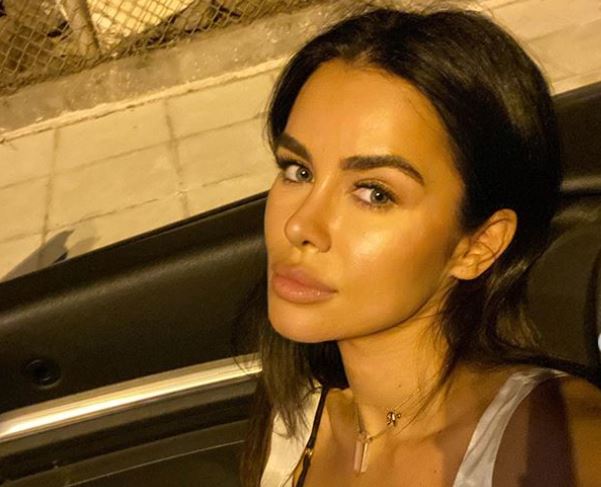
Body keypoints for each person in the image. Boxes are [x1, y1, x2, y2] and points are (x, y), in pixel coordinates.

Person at [236, 6, 601, 487]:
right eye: (298, 171)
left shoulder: (557, 446)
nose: (299, 224)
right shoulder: (295, 419)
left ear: (478, 246)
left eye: (374, 193)